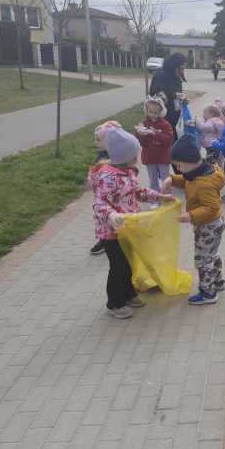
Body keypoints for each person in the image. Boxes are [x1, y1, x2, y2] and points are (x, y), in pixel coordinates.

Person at [93, 127, 174, 319]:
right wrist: (112, 215)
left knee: (129, 262)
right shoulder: (108, 177)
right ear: (124, 157)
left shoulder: (128, 172)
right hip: (112, 232)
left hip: (128, 228)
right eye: (134, 154)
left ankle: (128, 293)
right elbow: (99, 203)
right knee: (118, 266)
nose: (137, 158)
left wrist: (159, 196)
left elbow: (139, 192)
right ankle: (114, 303)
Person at [162, 134, 225, 306]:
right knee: (212, 255)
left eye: (178, 165)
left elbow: (211, 207)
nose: (177, 168)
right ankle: (218, 282)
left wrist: (192, 215)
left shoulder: (203, 183)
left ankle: (208, 293)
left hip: (207, 227)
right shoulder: (198, 172)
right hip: (213, 224)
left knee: (203, 260)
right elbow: (187, 181)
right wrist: (172, 179)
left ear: (189, 161)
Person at [88, 120, 121, 255]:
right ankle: (104, 239)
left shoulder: (117, 156)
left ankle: (113, 239)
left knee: (111, 216)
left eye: (98, 140)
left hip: (113, 196)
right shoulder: (101, 155)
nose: (96, 142)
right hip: (100, 194)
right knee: (101, 217)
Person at [135, 96, 174, 191]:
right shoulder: (144, 124)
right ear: (146, 111)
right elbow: (140, 142)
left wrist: (156, 133)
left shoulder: (165, 124)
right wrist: (140, 134)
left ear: (161, 112)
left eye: (155, 113)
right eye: (150, 112)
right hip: (149, 157)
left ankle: (167, 195)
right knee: (153, 179)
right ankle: (154, 196)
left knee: (165, 178)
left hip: (163, 157)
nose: (152, 115)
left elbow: (169, 140)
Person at [149, 52, 187, 140]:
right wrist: (174, 95)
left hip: (175, 116)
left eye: (184, 69)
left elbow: (178, 94)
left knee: (174, 139)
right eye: (181, 68)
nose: (182, 71)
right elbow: (156, 93)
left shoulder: (176, 77)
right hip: (162, 116)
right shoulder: (160, 75)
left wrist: (183, 100)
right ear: (174, 66)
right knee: (165, 139)